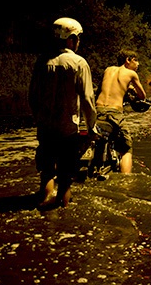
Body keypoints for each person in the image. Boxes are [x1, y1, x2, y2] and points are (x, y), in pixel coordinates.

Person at [29, 17, 97, 208]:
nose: (78, 42)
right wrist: (91, 127)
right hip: (67, 129)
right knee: (66, 179)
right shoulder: (79, 63)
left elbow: (32, 96)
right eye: (78, 38)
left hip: (45, 128)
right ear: (71, 38)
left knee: (47, 173)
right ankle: (61, 216)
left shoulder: (42, 61)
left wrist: (39, 120)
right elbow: (87, 100)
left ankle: (43, 208)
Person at [95, 49, 147, 173]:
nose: (138, 64)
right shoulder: (131, 74)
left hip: (98, 110)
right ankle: (126, 180)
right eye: (136, 60)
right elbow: (142, 96)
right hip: (114, 113)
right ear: (127, 60)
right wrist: (132, 90)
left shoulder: (108, 70)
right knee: (126, 146)